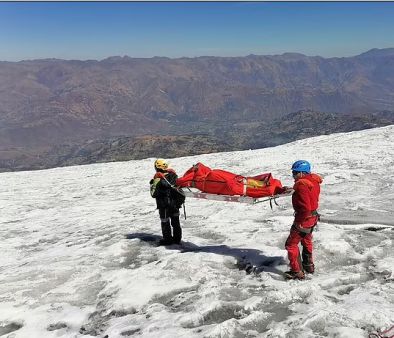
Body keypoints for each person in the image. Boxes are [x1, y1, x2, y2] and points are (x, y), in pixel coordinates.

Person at [283, 160, 323, 280]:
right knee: (306, 240)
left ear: (301, 173)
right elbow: (309, 194)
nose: (293, 175)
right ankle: (309, 265)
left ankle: (297, 272)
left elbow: (305, 208)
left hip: (304, 219)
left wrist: (298, 222)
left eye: (295, 173)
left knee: (291, 244)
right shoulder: (313, 180)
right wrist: (293, 189)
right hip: (313, 217)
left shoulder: (301, 185)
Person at [150, 159, 184, 245]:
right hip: (175, 204)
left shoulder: (158, 179)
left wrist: (152, 183)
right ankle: (177, 240)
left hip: (164, 205)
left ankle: (167, 240)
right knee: (176, 222)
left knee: (165, 222)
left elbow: (153, 194)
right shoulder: (174, 176)